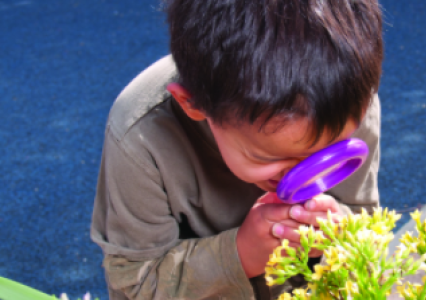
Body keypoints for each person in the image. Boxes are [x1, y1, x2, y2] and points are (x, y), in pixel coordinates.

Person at [90, 0, 383, 299]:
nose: (303, 175)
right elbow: (136, 283)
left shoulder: (350, 101)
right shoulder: (140, 136)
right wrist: (241, 254)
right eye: (269, 157)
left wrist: (344, 232)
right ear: (192, 104)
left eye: (328, 153)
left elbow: (368, 225)